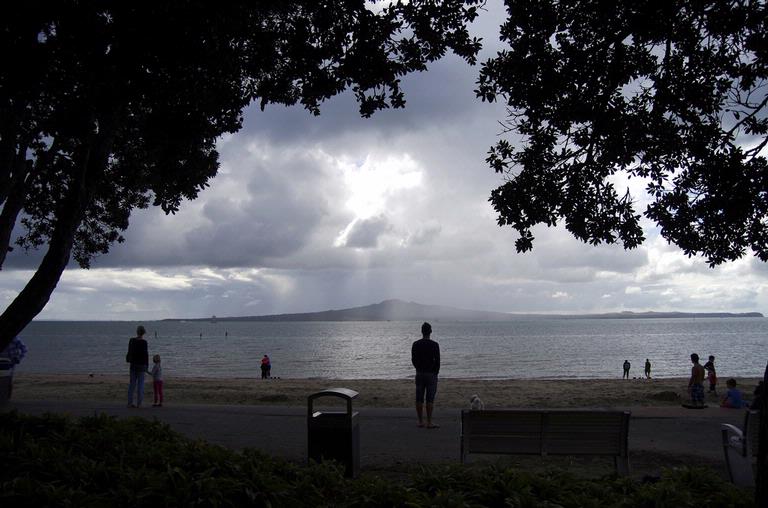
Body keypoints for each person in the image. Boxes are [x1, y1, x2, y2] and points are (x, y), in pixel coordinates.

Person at [411, 322, 440, 429]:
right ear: (430, 331)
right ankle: (429, 422)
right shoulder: (435, 345)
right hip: (431, 374)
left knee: (419, 398)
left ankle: (420, 421)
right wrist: (435, 372)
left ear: (422, 331)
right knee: (430, 399)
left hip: (420, 373)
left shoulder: (416, 344)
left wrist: (418, 368)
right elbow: (438, 362)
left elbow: (413, 359)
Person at [126, 325, 149, 408]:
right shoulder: (144, 342)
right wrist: (147, 366)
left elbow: (129, 351)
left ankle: (129, 402)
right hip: (141, 365)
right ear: (143, 333)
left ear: (137, 332)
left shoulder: (131, 340)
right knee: (141, 385)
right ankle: (139, 403)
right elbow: (146, 355)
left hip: (133, 365)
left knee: (132, 384)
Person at [0, 336, 27, 400]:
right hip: (3, 362)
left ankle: (6, 398)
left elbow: (24, 349)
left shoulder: (15, 339)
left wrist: (18, 358)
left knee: (8, 380)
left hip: (10, 363)